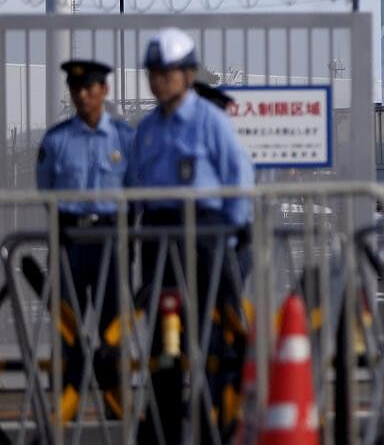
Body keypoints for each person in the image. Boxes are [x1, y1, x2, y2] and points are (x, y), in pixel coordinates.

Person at [128, 28, 254, 445]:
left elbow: (238, 182)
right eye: (153, 72)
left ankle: (216, 423)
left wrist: (229, 240)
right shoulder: (147, 128)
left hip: (206, 237)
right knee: (165, 342)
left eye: (166, 72)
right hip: (159, 240)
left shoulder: (210, 121)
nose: (158, 80)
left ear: (187, 74)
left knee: (216, 339)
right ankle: (164, 426)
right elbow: (132, 188)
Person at [36, 60, 134, 421]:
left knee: (114, 331)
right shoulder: (57, 140)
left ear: (104, 91)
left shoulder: (125, 139)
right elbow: (46, 189)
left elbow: (137, 188)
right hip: (70, 241)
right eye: (76, 88)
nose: (82, 95)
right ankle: (65, 411)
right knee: (67, 331)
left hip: (112, 239)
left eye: (90, 88)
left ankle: (116, 411)